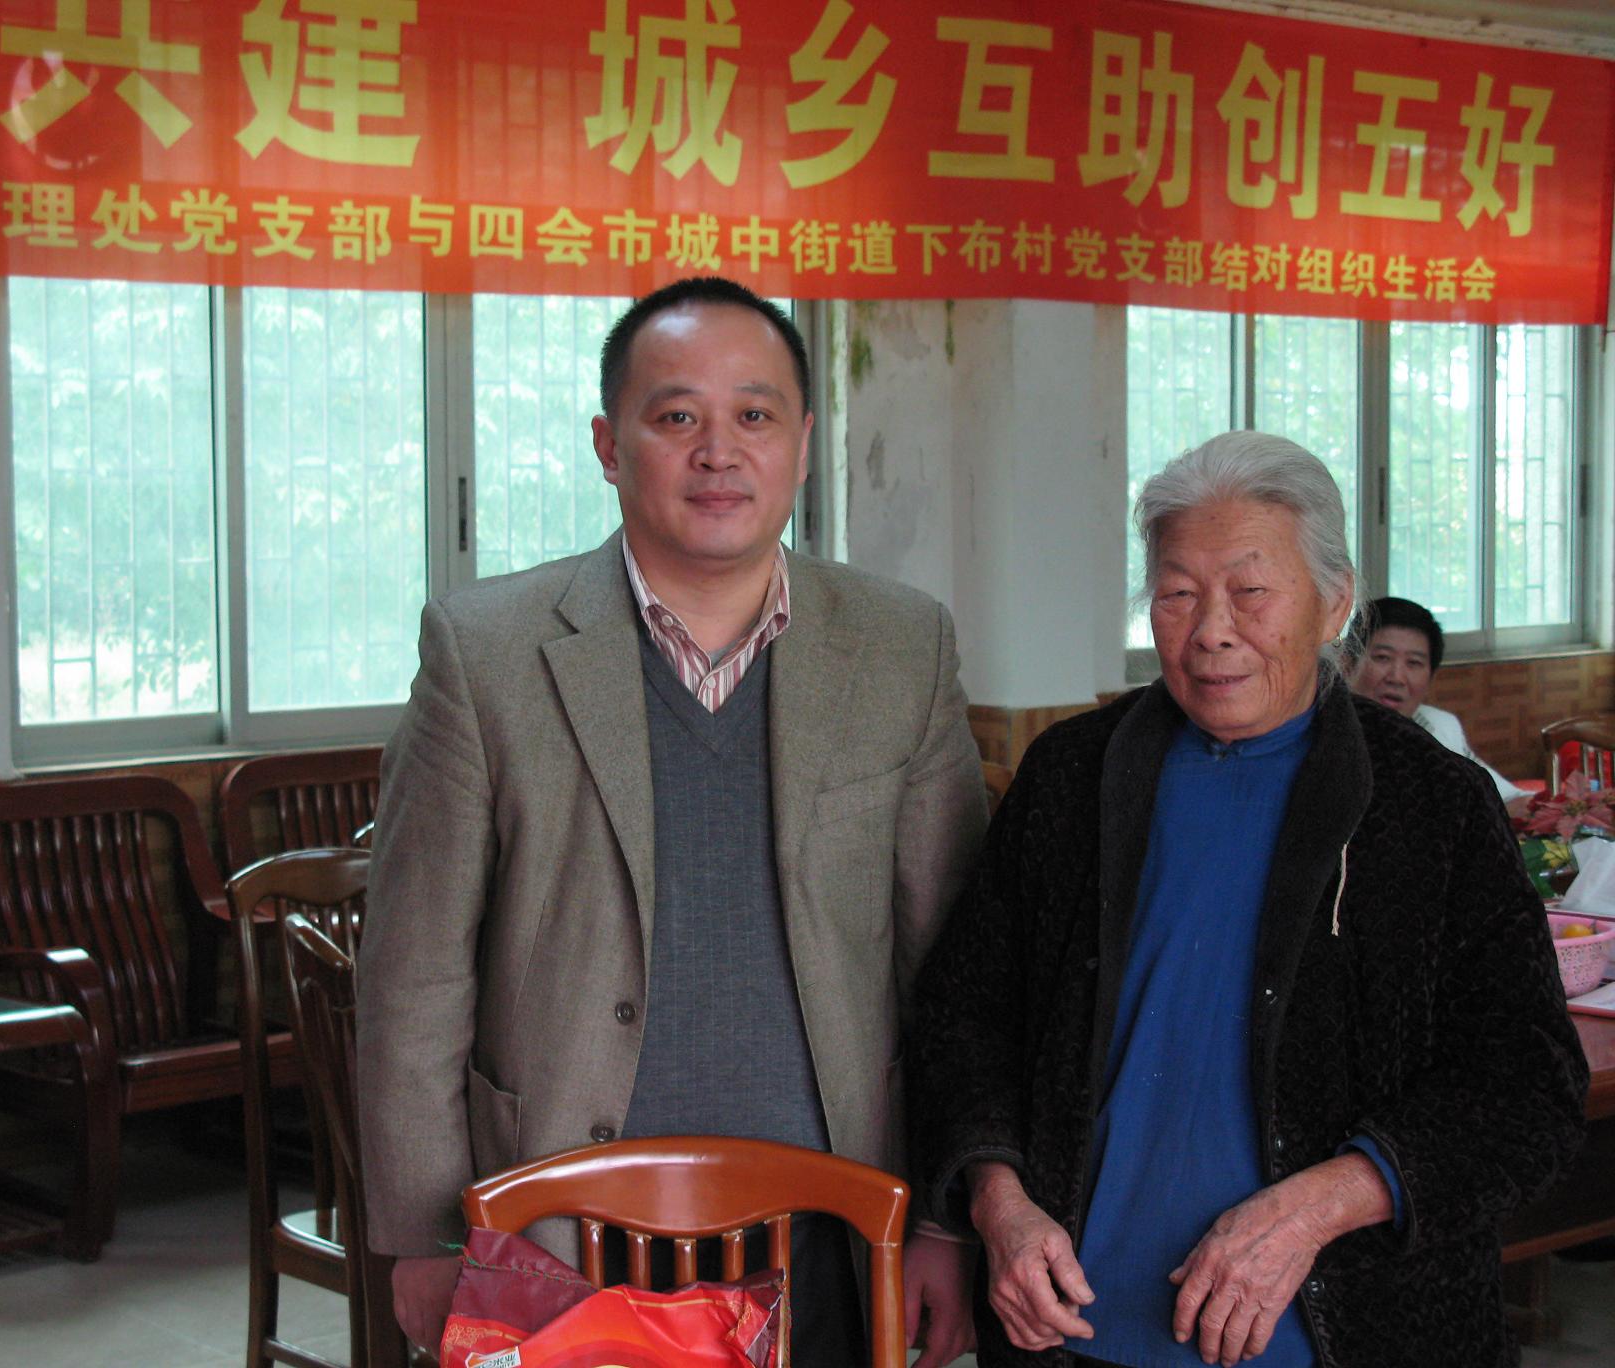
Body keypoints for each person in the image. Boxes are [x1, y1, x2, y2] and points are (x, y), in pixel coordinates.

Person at [357, 276, 989, 1365]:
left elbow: (954, 968)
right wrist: (422, 1233)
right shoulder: (486, 652)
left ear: (803, 443)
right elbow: (415, 971)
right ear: (610, 445)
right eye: (677, 416)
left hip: (835, 1218)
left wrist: (943, 1221)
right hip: (557, 1221)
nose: (719, 452)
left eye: (755, 415)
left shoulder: (902, 647)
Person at [911, 431, 1587, 1368]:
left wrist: (1326, 1203)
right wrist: (998, 1202)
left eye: (1252, 591)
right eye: (1178, 594)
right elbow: (964, 1015)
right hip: (1071, 1334)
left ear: (1335, 602)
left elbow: (1528, 1085)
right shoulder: (1071, 778)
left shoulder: (1431, 804)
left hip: (1349, 1337)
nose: (1212, 630)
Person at [1345, 595, 1529, 811]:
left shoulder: (1440, 727)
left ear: (1431, 678)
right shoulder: (1326, 736)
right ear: (1347, 663)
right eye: (1382, 658)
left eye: (1414, 663)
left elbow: (1506, 797)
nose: (1397, 678)